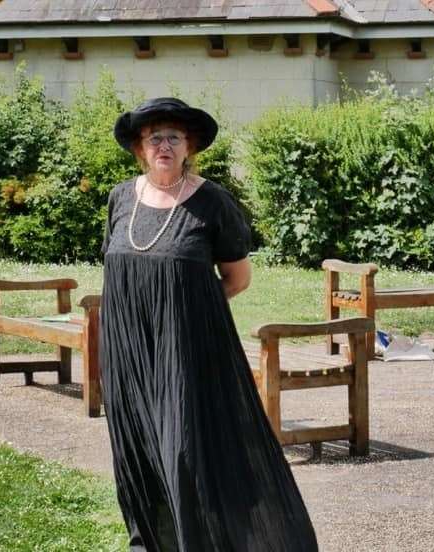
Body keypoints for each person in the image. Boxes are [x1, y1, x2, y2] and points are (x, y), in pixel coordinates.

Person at [100, 97, 318, 551]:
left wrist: (184, 312)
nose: (164, 145)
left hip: (186, 349)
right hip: (128, 353)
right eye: (154, 137)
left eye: (173, 138)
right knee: (137, 448)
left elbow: (237, 279)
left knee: (184, 451)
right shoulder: (121, 198)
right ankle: (150, 543)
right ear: (140, 148)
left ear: (189, 147)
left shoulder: (211, 202)